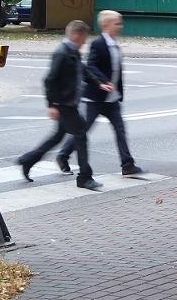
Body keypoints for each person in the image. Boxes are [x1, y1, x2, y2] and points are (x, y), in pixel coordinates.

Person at [17, 20, 113, 191]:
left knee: (58, 136)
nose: (85, 42)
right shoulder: (62, 53)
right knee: (81, 135)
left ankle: (28, 160)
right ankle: (84, 176)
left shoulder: (72, 52)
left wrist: (99, 83)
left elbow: (83, 71)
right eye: (84, 38)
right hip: (64, 103)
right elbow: (49, 80)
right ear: (77, 35)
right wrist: (52, 104)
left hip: (68, 102)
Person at [57, 10, 144, 176]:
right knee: (83, 129)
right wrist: (103, 82)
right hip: (95, 98)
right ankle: (63, 155)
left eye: (120, 23)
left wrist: (115, 90)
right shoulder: (98, 44)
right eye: (117, 23)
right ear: (106, 25)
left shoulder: (114, 44)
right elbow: (91, 66)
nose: (120, 26)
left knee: (120, 130)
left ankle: (127, 164)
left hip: (112, 98)